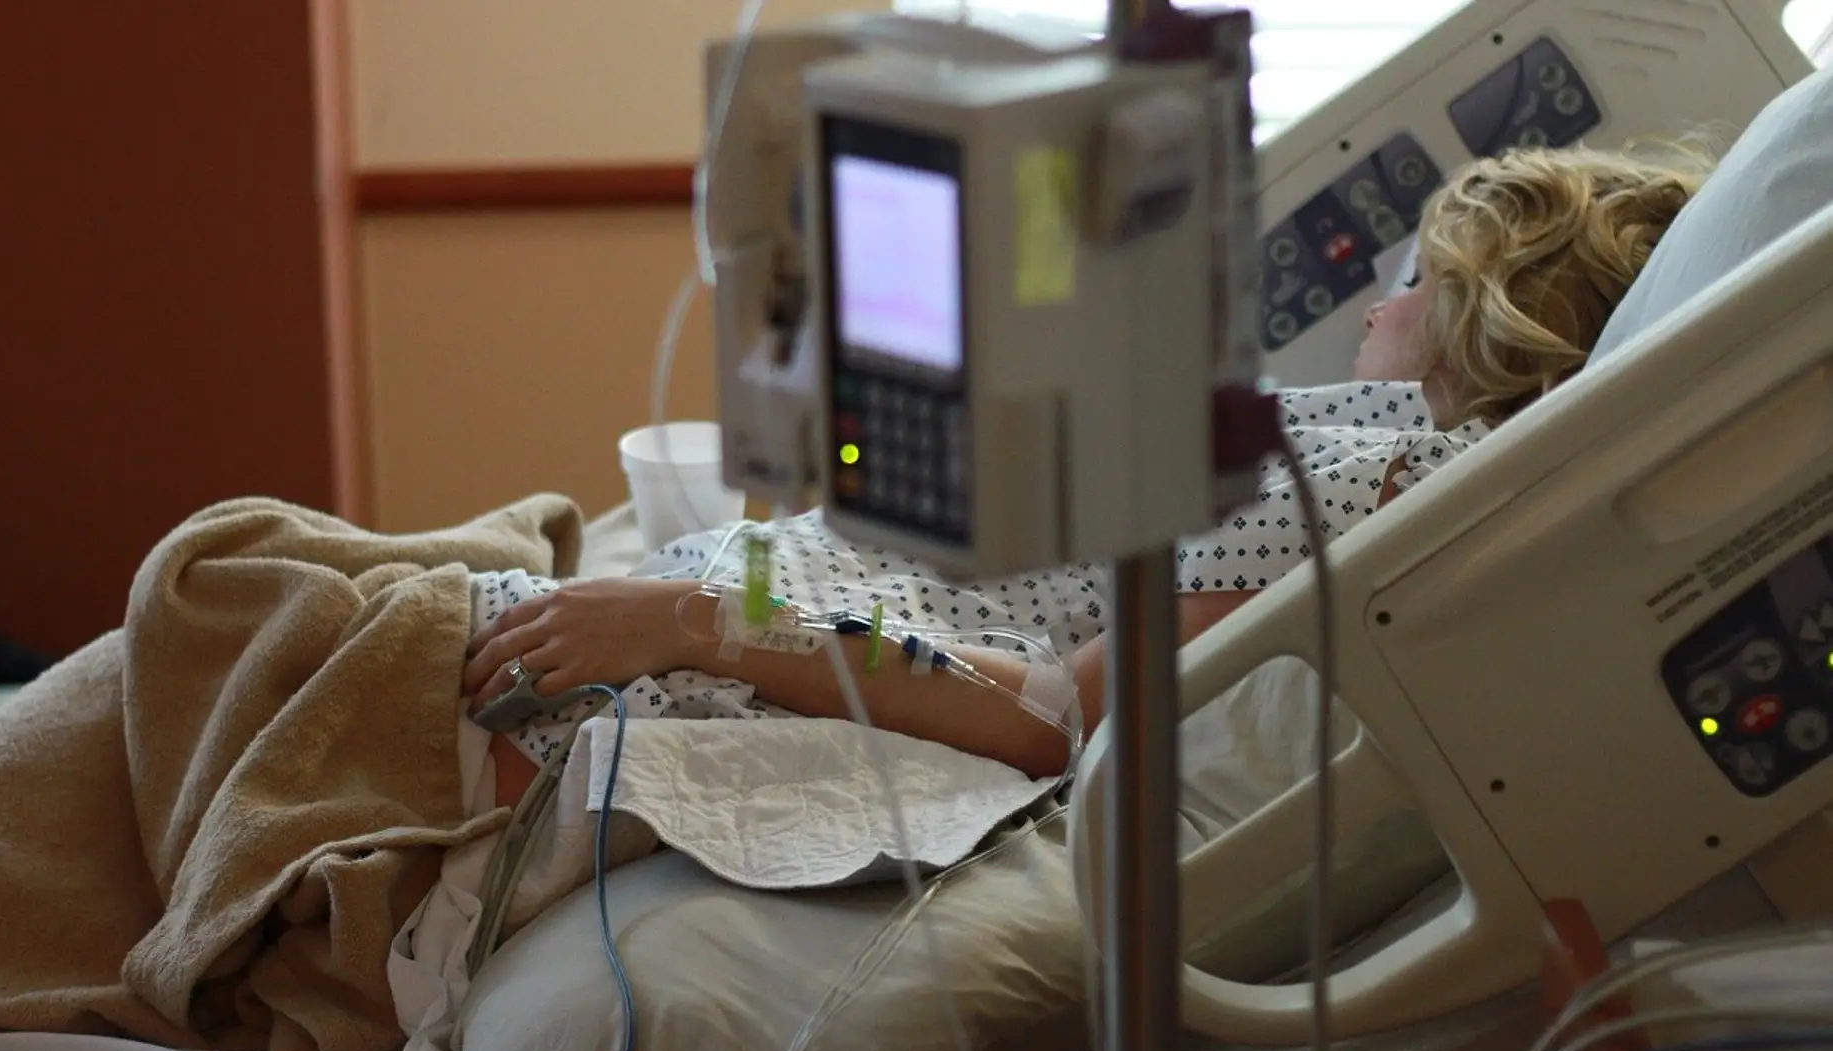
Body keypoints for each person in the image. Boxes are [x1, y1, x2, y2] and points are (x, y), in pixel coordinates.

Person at [463, 143, 1711, 807]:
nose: (1379, 303)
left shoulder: (1386, 487)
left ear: (1482, 328)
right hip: (772, 587)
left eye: (1414, 284)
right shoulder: (1354, 438)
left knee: (300, 604)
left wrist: (692, 620)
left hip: (730, 661)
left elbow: (1050, 713)